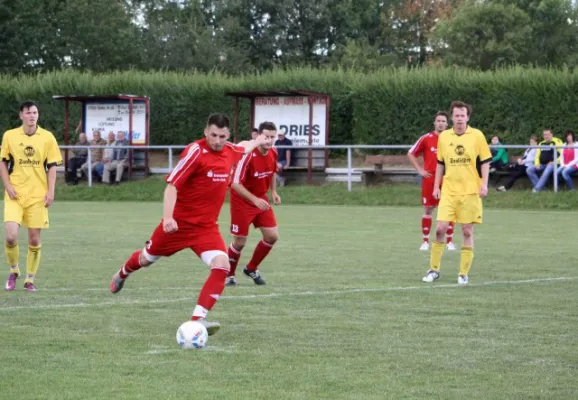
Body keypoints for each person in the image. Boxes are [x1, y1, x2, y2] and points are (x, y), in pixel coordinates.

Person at [109, 113, 269, 335]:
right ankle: (122, 273)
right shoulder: (196, 152)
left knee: (222, 264)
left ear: (227, 135)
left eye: (222, 136)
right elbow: (172, 187)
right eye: (213, 135)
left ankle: (197, 319)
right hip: (178, 225)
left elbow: (245, 146)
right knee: (146, 259)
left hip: (206, 228)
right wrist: (168, 218)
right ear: (206, 132)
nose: (217, 140)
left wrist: (259, 141)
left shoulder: (231, 150)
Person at [422, 101, 492, 286]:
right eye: (457, 115)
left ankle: (463, 273)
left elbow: (485, 161)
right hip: (449, 192)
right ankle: (434, 269)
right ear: (451, 118)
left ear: (467, 117)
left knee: (467, 231)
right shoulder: (444, 136)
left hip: (470, 192)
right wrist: (436, 186)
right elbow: (440, 163)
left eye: (463, 115)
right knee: (439, 229)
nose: (460, 119)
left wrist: (484, 183)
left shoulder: (477, 136)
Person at [2, 101, 63, 292]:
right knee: (11, 236)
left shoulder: (47, 137)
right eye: (28, 113)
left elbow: (52, 166)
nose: (32, 116)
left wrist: (51, 191)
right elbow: (3, 162)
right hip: (15, 195)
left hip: (38, 196)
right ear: (21, 115)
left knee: (34, 240)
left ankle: (29, 279)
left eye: (35, 112)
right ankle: (14, 271)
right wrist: (8, 185)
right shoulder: (10, 136)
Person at [226, 121, 281, 287]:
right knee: (239, 242)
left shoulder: (273, 152)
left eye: (272, 137)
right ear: (257, 136)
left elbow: (271, 172)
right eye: (266, 136)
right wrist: (255, 200)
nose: (269, 140)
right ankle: (229, 275)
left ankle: (251, 268)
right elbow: (234, 183)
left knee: (272, 236)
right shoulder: (247, 155)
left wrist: (273, 192)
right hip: (242, 200)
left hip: (260, 198)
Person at [407, 111, 456, 251]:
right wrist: (420, 170)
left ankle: (449, 241)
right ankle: (425, 241)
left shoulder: (453, 138)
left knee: (449, 210)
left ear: (447, 123)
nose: (441, 123)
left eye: (443, 121)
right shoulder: (426, 138)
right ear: (434, 123)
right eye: (438, 121)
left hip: (448, 179)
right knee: (428, 209)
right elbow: (411, 153)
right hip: (430, 177)